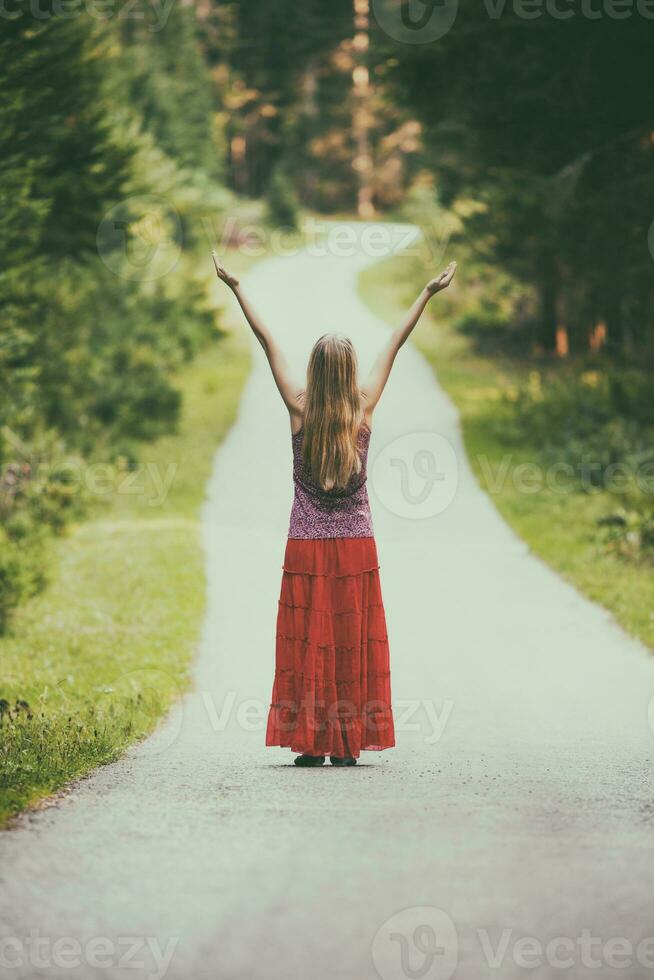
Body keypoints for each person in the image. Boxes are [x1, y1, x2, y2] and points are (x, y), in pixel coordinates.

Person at [212, 250, 457, 767]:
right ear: (348, 372)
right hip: (355, 547)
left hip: (305, 544)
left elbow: (268, 342)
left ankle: (311, 742)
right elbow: (395, 341)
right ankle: (346, 744)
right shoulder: (363, 408)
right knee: (350, 638)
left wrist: (236, 288)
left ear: (315, 370)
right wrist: (427, 293)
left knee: (308, 641)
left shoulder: (298, 408)